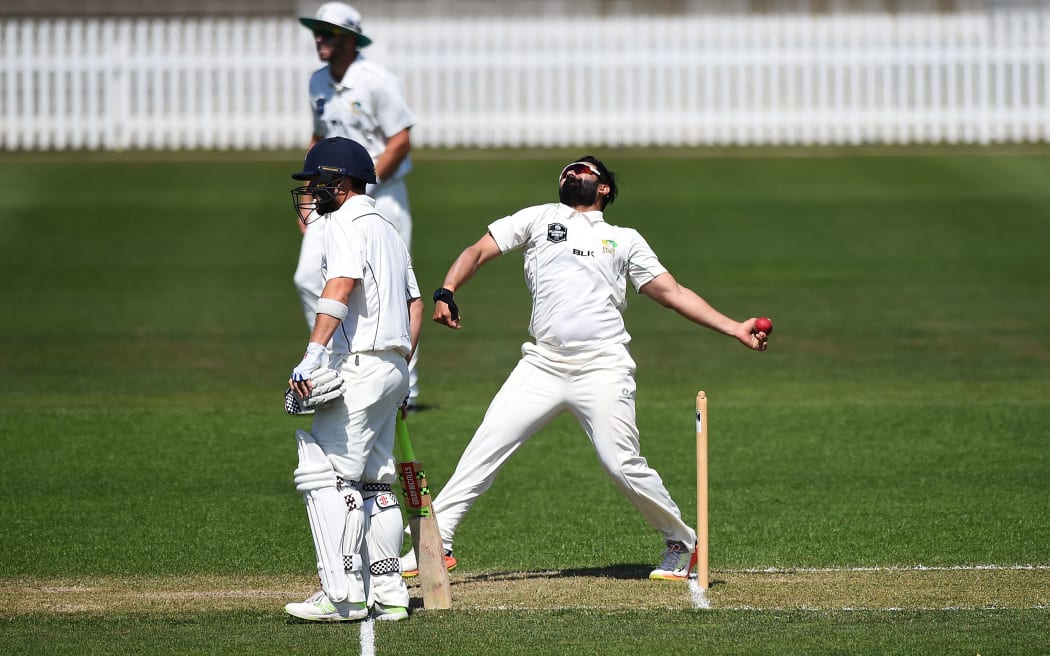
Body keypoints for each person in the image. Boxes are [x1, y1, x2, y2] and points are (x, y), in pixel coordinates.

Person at [400, 156, 771, 581]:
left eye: (583, 171)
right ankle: (436, 542)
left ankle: (683, 542)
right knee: (484, 448)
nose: (572, 174)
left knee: (620, 463)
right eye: (567, 171)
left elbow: (673, 293)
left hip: (602, 365)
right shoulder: (539, 217)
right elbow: (478, 251)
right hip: (543, 363)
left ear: (604, 188)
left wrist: (734, 327)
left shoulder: (624, 239)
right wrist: (446, 290)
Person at [284, 137, 423, 622]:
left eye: (317, 182)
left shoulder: (343, 222)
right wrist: (402, 367)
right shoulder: (387, 226)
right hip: (392, 367)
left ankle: (342, 595)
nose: (311, 192)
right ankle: (390, 593)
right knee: (377, 484)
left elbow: (340, 285)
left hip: (359, 365)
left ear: (340, 183)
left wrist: (312, 355)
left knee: (329, 477)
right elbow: (414, 303)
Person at [295, 2, 422, 407]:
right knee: (307, 276)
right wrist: (312, 192)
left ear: (350, 39)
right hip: (331, 197)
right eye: (316, 31)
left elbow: (400, 139)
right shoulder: (317, 82)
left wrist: (364, 186)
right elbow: (319, 138)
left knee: (394, 287)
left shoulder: (376, 81)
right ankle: (330, 359)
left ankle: (404, 385)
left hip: (381, 194)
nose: (319, 38)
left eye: (328, 32)